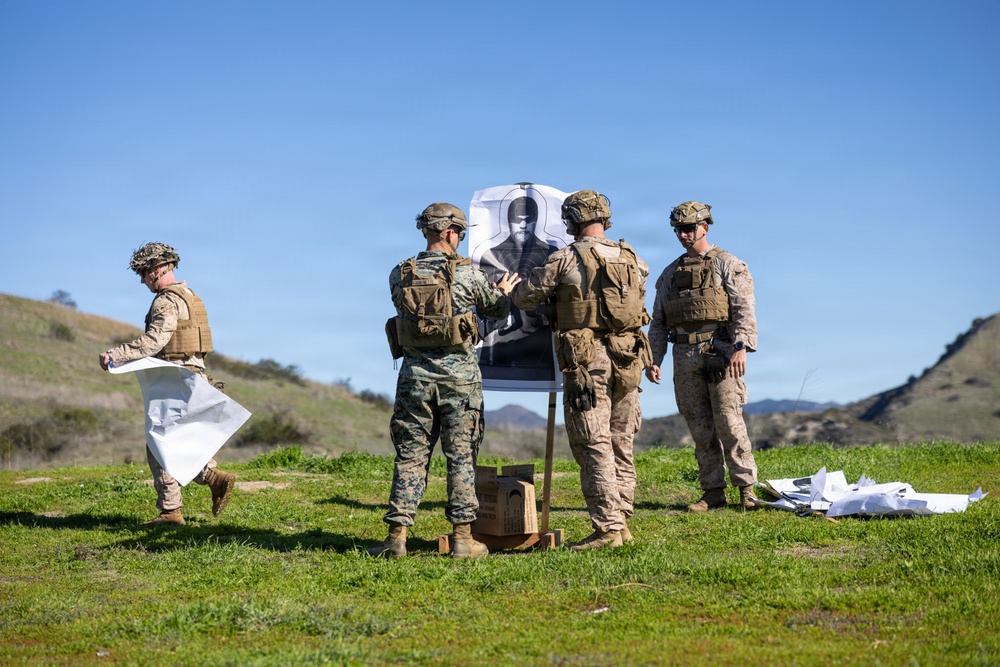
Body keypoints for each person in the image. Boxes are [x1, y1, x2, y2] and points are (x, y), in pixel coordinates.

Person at [371, 202, 520, 559]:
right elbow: (497, 310)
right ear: (452, 233)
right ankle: (463, 538)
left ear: (426, 230)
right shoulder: (467, 275)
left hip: (413, 380)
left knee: (410, 456)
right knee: (461, 457)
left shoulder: (399, 274)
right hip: (460, 383)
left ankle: (397, 537)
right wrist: (502, 292)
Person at [511, 190, 651, 550]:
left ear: (574, 220)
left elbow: (527, 296)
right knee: (621, 441)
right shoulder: (634, 259)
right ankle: (623, 523)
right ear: (604, 218)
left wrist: (511, 288)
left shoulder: (566, 258)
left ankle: (608, 528)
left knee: (593, 443)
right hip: (629, 357)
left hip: (588, 363)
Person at [98, 242, 235, 526]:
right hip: (191, 375)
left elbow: (155, 341)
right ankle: (213, 479)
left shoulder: (165, 300)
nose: (142, 279)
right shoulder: (189, 295)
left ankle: (171, 511)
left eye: (144, 272)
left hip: (174, 378)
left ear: (159, 268)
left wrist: (116, 355)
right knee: (176, 441)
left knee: (158, 441)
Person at [645, 201, 760, 512]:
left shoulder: (727, 263)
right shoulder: (670, 273)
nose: (683, 235)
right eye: (678, 230)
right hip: (683, 355)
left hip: (719, 351)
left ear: (705, 227)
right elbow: (659, 321)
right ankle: (712, 492)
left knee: (729, 422)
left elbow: (743, 308)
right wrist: (654, 359)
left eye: (689, 228)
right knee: (699, 428)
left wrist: (741, 347)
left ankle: (747, 490)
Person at [478, 196, 558, 372]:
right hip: (501, 344)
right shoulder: (491, 254)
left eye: (528, 221)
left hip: (540, 345)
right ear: (509, 221)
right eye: (517, 220)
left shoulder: (552, 255)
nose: (523, 226)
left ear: (536, 221)